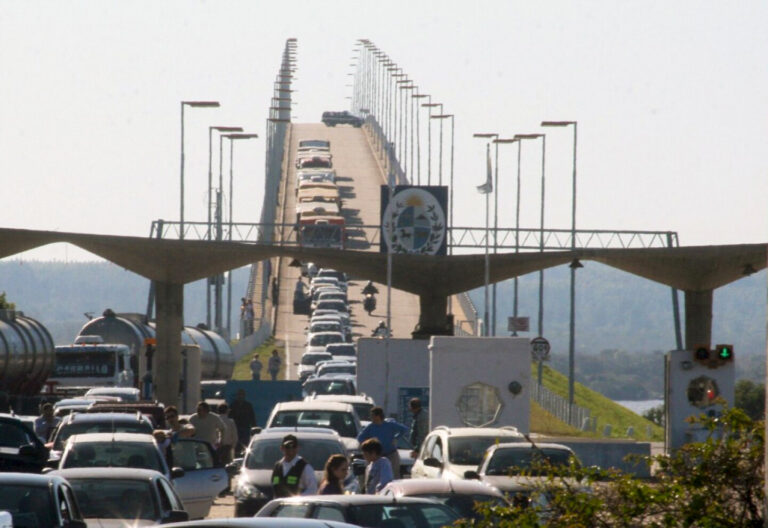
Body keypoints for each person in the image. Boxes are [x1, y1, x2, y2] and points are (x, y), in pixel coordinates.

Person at [357, 407, 408, 479]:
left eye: (372, 416)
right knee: (377, 477)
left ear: (378, 416)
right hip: (377, 457)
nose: (371, 418)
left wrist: (396, 438)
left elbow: (404, 429)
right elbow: (360, 438)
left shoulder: (390, 425)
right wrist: (369, 445)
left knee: (393, 476)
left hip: (391, 455)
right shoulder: (370, 427)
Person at [229, 390, 256, 455]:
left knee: (246, 443)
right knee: (236, 443)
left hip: (245, 428)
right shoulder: (233, 405)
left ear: (244, 396)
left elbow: (252, 417)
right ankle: (236, 454)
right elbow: (230, 417)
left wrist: (254, 427)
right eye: (239, 395)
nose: (240, 396)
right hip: (236, 428)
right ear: (237, 396)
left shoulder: (248, 405)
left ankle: (245, 454)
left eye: (242, 395)